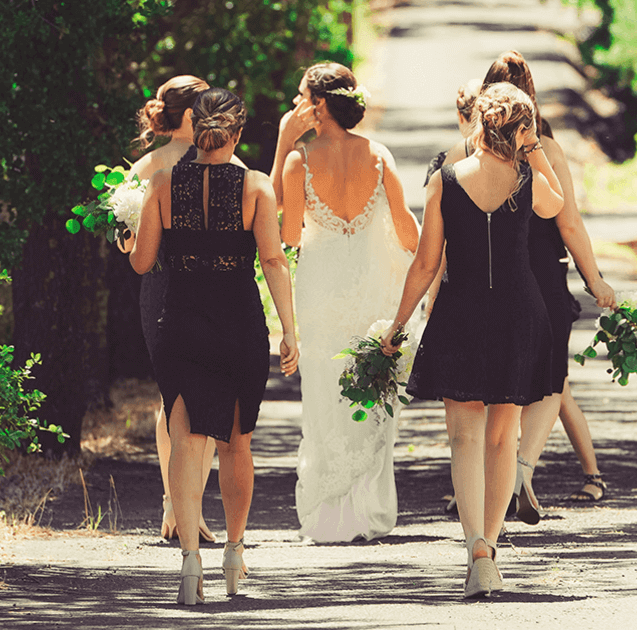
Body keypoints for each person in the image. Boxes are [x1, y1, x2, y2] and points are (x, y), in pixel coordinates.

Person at [380, 82, 565, 598]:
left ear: (480, 124)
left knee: (463, 438)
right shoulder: (528, 176)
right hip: (517, 312)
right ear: (521, 129)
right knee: (503, 436)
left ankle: (476, 549)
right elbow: (556, 206)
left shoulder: (444, 179)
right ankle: (492, 552)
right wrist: (534, 151)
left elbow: (425, 263)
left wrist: (398, 325)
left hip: (461, 312)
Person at [130, 87, 299, 605]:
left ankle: (188, 563)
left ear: (194, 128)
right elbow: (273, 261)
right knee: (236, 442)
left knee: (185, 438)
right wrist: (290, 331)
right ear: (238, 133)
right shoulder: (256, 187)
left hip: (178, 318)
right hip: (237, 321)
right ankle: (233, 551)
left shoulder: (160, 182)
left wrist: (132, 229)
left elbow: (141, 263)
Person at [448, 51, 615, 523]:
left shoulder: (461, 156)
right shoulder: (548, 153)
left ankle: (480, 486)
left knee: (483, 387)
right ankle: (519, 469)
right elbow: (570, 223)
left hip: (482, 276)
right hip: (540, 273)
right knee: (549, 379)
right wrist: (594, 278)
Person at [274, 62, 420, 543]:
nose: (295, 105)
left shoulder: (298, 161)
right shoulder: (378, 154)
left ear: (317, 104)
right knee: (373, 388)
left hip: (321, 292)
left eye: (301, 96)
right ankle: (369, 511)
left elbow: (289, 232)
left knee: (325, 396)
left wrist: (283, 144)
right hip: (371, 289)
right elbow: (406, 230)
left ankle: (330, 515)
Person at [128, 75, 238, 544]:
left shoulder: (140, 170)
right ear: (195, 115)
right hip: (211, 290)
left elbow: (131, 249)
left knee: (168, 398)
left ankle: (175, 505)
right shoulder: (227, 162)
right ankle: (187, 507)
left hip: (156, 289)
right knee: (207, 397)